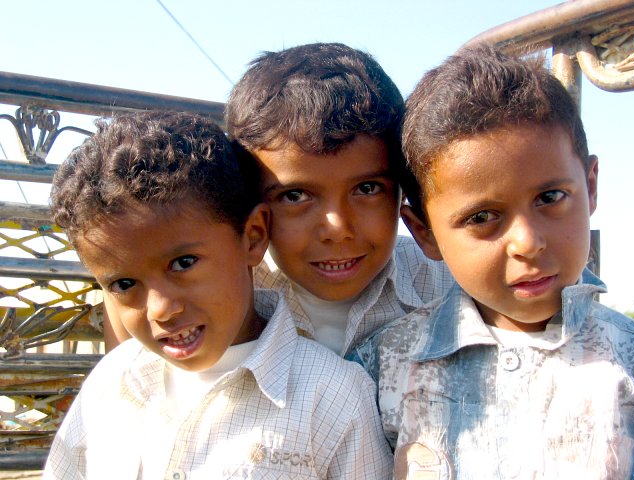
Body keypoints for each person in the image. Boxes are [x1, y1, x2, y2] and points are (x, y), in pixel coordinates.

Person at [43, 111, 393, 479]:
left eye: (184, 263)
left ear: (253, 237)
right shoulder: (110, 384)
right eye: (124, 285)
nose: (161, 310)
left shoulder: (331, 397)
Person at [352, 45, 634, 479]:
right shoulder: (381, 368)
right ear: (425, 232)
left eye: (550, 197)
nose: (527, 242)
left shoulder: (630, 361)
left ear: (591, 186)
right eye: (482, 218)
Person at [224, 42, 453, 357]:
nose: (337, 228)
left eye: (368, 188)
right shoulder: (228, 298)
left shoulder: (451, 286)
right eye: (295, 196)